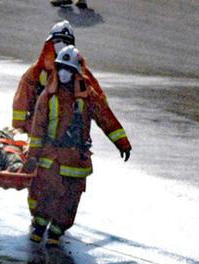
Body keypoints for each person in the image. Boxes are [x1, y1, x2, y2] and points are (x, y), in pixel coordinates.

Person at [23, 46, 130, 245]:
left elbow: (105, 117)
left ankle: (56, 233)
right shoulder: (48, 96)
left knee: (70, 200)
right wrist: (33, 158)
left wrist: (122, 142)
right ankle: (38, 227)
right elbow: (38, 130)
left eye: (68, 69)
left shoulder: (87, 96)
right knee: (45, 193)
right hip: (51, 157)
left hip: (76, 160)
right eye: (61, 68)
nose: (63, 73)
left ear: (75, 73)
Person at [11, 20, 103, 133]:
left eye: (65, 41)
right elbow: (22, 99)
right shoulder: (37, 71)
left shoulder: (82, 73)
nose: (61, 44)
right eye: (58, 40)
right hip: (38, 130)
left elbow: (100, 104)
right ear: (50, 42)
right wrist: (19, 128)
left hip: (71, 135)